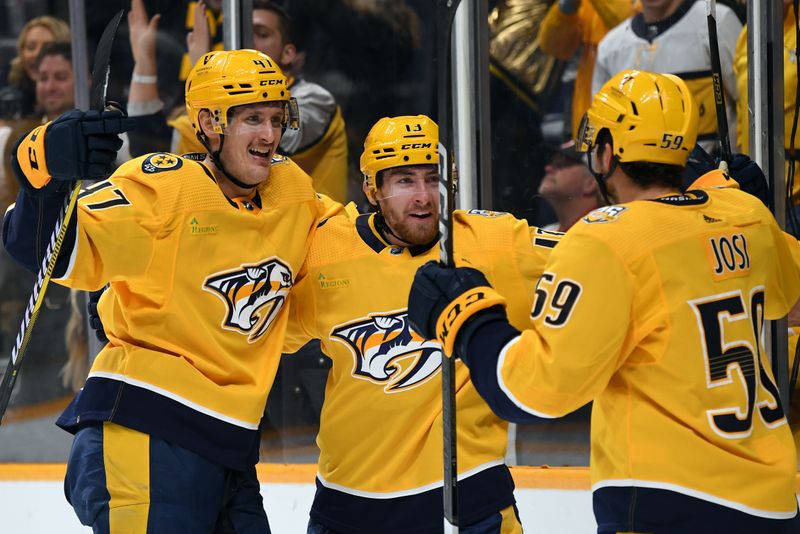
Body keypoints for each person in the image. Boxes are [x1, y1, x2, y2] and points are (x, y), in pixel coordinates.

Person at [407, 70, 800, 532]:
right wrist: (734, 196)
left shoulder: (609, 240)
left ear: (607, 152)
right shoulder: (745, 215)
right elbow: (785, 297)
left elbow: (532, 394)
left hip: (670, 501)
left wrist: (466, 316)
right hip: (774, 501)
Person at [3, 48, 334, 532]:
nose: (270, 135)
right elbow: (37, 243)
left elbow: (355, 254)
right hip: (146, 427)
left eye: (277, 118)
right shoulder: (163, 188)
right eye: (252, 119)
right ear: (209, 123)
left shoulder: (293, 192)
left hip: (230, 449)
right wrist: (44, 168)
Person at [281, 114, 561, 533]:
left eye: (433, 179)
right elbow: (264, 334)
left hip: (467, 498)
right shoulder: (324, 251)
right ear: (372, 189)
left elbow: (598, 260)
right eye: (405, 181)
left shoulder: (496, 243)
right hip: (346, 504)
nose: (424, 197)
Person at [127, 0, 349, 202]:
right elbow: (150, 146)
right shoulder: (226, 108)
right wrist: (144, 63)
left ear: (288, 53)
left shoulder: (315, 99)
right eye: (243, 33)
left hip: (317, 233)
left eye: (261, 34)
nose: (249, 44)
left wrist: (206, 80)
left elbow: (274, 143)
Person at [593, 0, 741, 155]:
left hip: (713, 174)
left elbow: (750, 105)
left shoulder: (716, 21)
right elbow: (600, 132)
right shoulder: (610, 48)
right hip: (639, 174)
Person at [538, 0, 635, 137]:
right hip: (588, 127)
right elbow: (553, 46)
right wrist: (567, 7)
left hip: (630, 128)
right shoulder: (589, 5)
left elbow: (632, 32)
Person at [0, 15, 70, 121]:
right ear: (21, 52)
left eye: (47, 47)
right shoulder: (9, 91)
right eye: (31, 47)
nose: (37, 54)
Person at [539, 140, 602, 231]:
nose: (548, 168)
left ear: (590, 183)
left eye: (561, 164)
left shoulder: (603, 232)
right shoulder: (545, 232)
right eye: (552, 162)